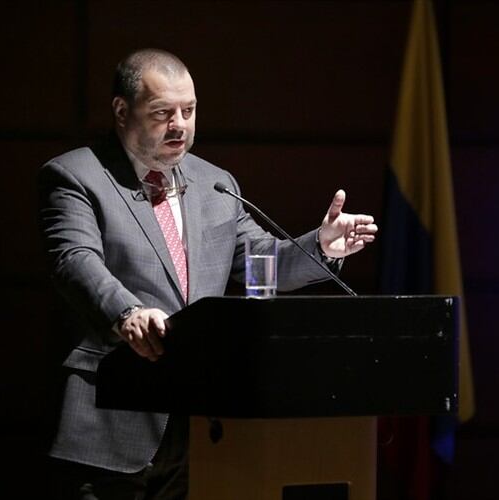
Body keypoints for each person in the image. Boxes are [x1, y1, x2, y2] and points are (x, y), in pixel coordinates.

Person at [38, 48, 377, 499]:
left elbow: (261, 259)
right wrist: (128, 313)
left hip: (201, 426)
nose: (179, 124)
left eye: (189, 110)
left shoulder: (216, 184)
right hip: (112, 420)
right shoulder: (76, 175)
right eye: (162, 113)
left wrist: (319, 246)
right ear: (122, 111)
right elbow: (75, 260)